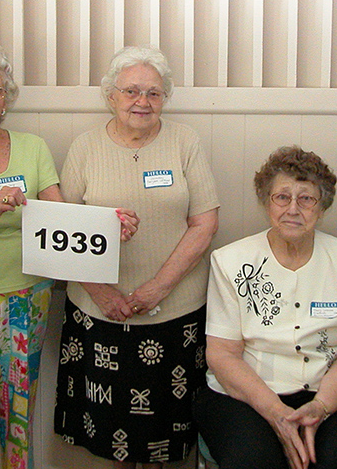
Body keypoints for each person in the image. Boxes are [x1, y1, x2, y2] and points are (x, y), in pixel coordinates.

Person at [0, 43, 137, 469]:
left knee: (19, 415)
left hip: (27, 296)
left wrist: (110, 226)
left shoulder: (32, 148)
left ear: (7, 99)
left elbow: (62, 220)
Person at [53, 46, 220, 468]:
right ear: (111, 95)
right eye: (131, 91)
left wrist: (158, 287)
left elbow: (204, 223)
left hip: (173, 313)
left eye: (153, 93)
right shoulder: (84, 147)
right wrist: (104, 293)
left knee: (165, 433)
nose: (141, 102)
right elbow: (60, 231)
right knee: (112, 437)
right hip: (98, 313)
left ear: (165, 98)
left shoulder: (185, 142)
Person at [194, 146, 337, 469]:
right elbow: (222, 355)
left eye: (306, 199)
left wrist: (320, 407)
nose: (293, 209)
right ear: (267, 203)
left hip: (329, 393)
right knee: (253, 461)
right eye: (282, 197)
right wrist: (277, 414)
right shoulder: (231, 261)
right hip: (247, 394)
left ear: (322, 208)